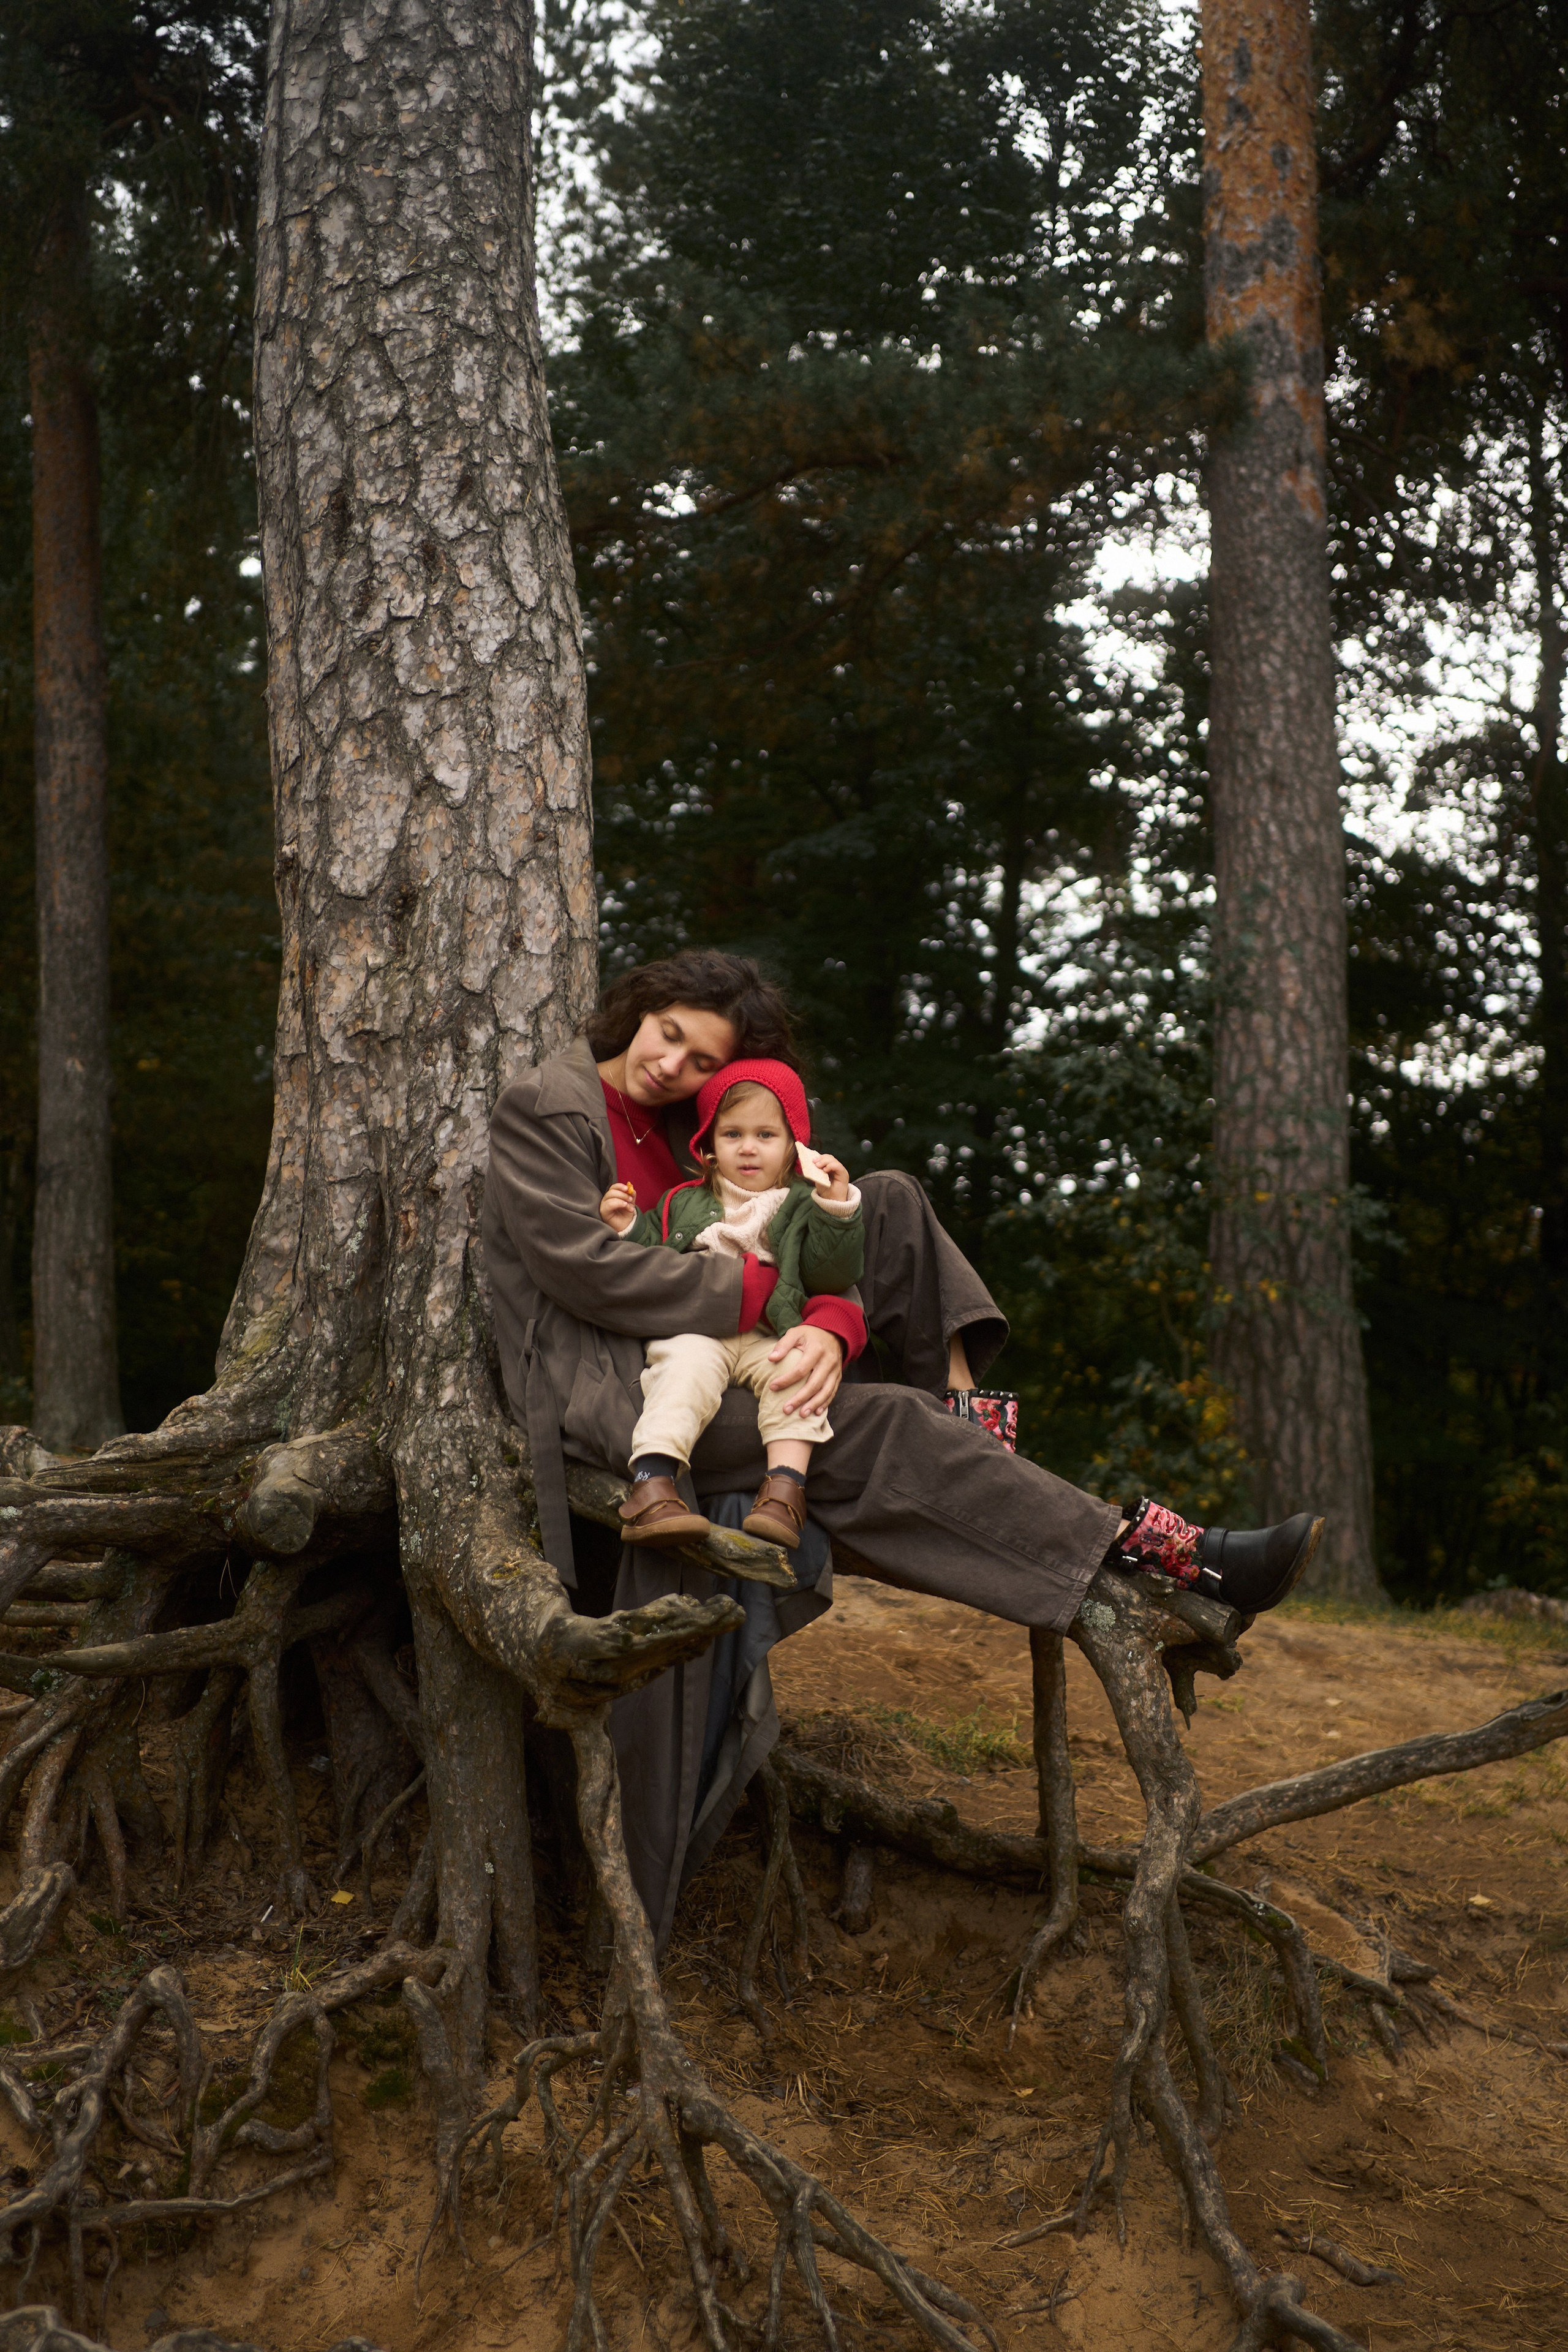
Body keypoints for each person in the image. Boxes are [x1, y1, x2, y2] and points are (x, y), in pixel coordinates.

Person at [483, 949, 1322, 1944]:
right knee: (880, 1426)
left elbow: (799, 1232)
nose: (674, 1065)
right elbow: (591, 1277)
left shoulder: (695, 1132)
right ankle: (1165, 1549)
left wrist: (829, 1327)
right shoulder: (550, 1105)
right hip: (628, 1387)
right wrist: (775, 1304)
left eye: (702, 1060)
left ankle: (969, 1424)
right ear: (638, 1009)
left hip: (740, 1350)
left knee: (882, 1196)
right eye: (669, 1034)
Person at [598, 1057, 865, 1551]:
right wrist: (626, 1226)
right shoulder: (685, 1201)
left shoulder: (804, 1202)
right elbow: (652, 1261)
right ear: (708, 1147)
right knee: (681, 1370)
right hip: (700, 1327)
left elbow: (832, 1274)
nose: (748, 1148)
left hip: (771, 1332)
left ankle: (785, 1489)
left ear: (793, 1148)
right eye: (732, 1135)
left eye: (766, 1135)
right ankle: (653, 1484)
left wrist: (837, 1206)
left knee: (801, 1372)